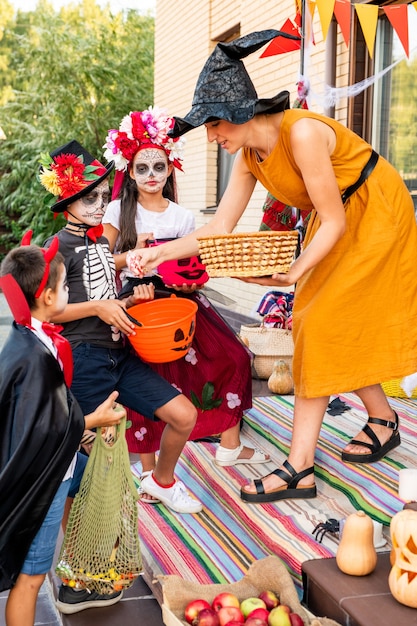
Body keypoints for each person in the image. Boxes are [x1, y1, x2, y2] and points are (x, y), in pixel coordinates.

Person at [126, 29, 417, 503]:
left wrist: (295, 272)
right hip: (336, 218)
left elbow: (338, 219)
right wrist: (160, 252)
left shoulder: (300, 133)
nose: (212, 136)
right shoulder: (248, 158)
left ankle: (300, 467)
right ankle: (384, 421)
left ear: (242, 112)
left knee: (318, 321)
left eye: (216, 125)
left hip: (375, 211)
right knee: (323, 323)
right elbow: (219, 226)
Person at [38, 139, 203, 610]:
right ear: (67, 202)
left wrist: (131, 302)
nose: (99, 204)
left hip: (120, 353)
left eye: (100, 195)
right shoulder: (57, 249)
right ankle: (75, 576)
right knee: (87, 469)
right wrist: (101, 307)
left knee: (184, 414)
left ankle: (161, 482)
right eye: (89, 198)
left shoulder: (95, 243)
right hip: (87, 361)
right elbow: (48, 312)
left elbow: (107, 299)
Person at [102, 107, 269, 495]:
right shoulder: (117, 211)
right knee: (149, 380)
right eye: (142, 169)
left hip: (180, 300)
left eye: (158, 167)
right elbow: (102, 260)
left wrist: (191, 283)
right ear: (129, 171)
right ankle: (148, 470)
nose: (151, 177)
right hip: (136, 303)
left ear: (169, 169)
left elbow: (193, 264)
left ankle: (229, 446)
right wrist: (133, 255)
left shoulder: (182, 216)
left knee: (232, 356)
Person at [0, 239, 127, 626]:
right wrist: (93, 421)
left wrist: (82, 427)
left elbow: (45, 413)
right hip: (46, 479)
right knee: (31, 577)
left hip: (59, 467)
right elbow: (46, 427)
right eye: (66, 287)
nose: (71, 293)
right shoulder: (35, 356)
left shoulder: (30, 339)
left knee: (92, 478)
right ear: (49, 295)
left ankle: (86, 572)